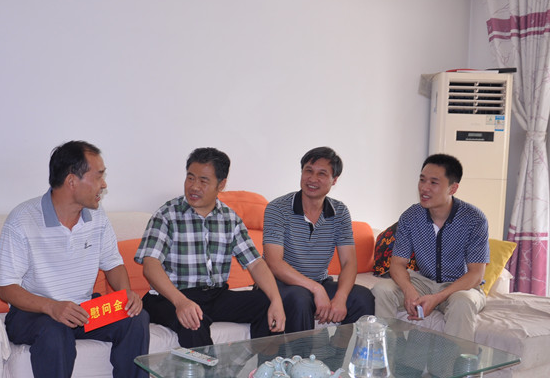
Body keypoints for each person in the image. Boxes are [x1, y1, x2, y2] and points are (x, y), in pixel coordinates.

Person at [0, 141, 150, 378]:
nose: (104, 184)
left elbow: (113, 264)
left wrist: (126, 294)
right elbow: (6, 288)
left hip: (83, 309)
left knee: (135, 318)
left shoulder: (97, 216)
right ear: (72, 181)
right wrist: (52, 307)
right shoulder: (23, 219)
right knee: (55, 332)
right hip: (34, 313)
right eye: (99, 176)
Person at [134, 147, 285, 348]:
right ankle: (210, 370)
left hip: (214, 295)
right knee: (193, 320)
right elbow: (150, 265)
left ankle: (266, 367)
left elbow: (256, 263)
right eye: (190, 178)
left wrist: (276, 300)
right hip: (169, 297)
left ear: (221, 184)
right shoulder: (167, 215)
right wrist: (181, 302)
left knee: (265, 304)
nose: (194, 186)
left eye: (203, 181)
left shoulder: (230, 218)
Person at [371, 154, 489, 341]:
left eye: (433, 182)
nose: (424, 188)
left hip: (460, 287)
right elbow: (397, 264)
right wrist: (409, 290)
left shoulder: (474, 219)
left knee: (462, 302)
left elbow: (476, 274)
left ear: (453, 188)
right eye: (422, 180)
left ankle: (454, 360)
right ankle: (387, 352)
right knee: (382, 290)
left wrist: (438, 297)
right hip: (423, 282)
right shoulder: (411, 216)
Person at [263, 146, 375, 334]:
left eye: (322, 174)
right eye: (308, 171)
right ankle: (301, 354)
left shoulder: (340, 212)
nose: (312, 179)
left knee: (362, 297)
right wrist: (316, 289)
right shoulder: (278, 208)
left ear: (334, 180)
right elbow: (274, 263)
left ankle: (338, 352)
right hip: (278, 285)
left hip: (318, 282)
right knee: (300, 299)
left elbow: (349, 262)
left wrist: (340, 297)